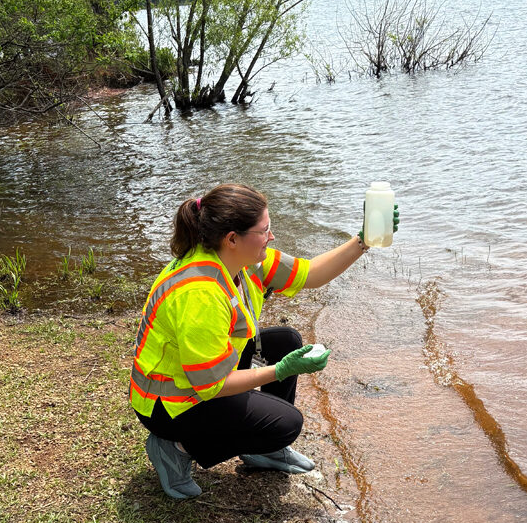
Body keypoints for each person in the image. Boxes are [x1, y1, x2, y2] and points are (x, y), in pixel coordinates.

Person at [129, 183, 399, 499]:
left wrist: (363, 241)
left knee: (285, 339)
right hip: (168, 406)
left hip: (197, 378)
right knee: (287, 423)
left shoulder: (244, 258)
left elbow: (310, 274)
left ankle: (265, 451)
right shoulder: (199, 293)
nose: (271, 237)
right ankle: (174, 447)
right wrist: (280, 371)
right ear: (232, 239)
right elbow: (211, 386)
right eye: (265, 230)